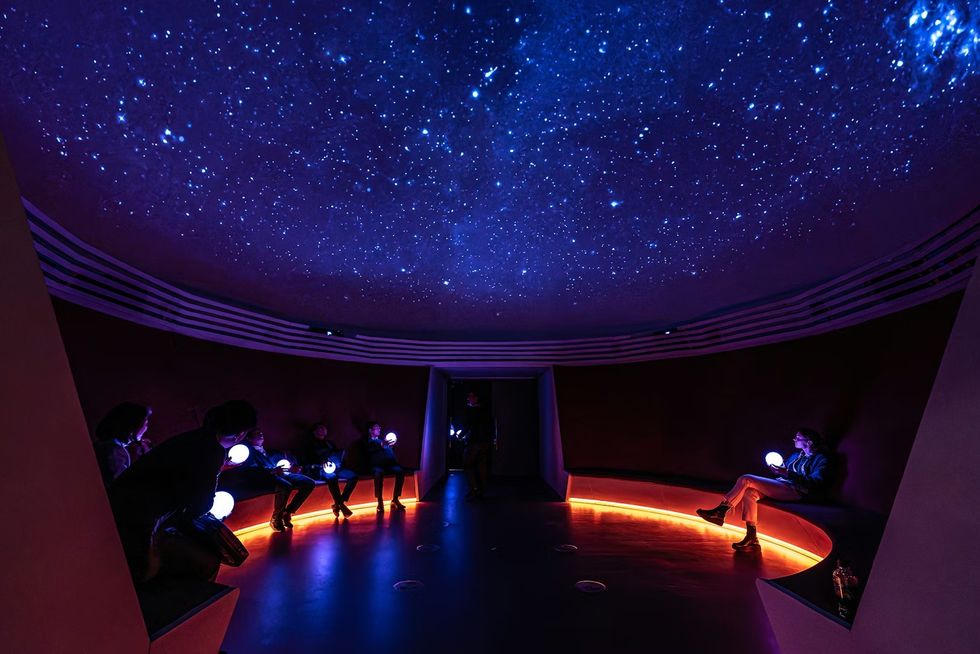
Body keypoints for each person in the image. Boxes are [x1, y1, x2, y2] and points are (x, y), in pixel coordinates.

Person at [109, 400, 257, 583]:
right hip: (137, 522)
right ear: (240, 434)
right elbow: (200, 504)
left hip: (122, 511)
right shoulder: (212, 449)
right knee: (207, 563)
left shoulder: (192, 438)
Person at [696, 428, 833, 551]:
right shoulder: (796, 455)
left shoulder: (821, 459)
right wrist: (778, 470)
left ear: (809, 442)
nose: (794, 439)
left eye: (798, 438)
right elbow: (784, 471)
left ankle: (721, 511)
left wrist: (787, 473)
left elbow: (815, 482)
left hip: (797, 491)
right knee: (750, 493)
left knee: (746, 479)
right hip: (782, 484)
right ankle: (752, 538)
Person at [242, 428, 317, 531]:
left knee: (309, 483)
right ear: (249, 438)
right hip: (264, 477)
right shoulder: (248, 451)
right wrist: (271, 470)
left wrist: (289, 468)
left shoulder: (268, 451)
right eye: (257, 433)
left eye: (261, 432)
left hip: (278, 474)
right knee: (286, 486)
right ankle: (276, 518)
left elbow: (279, 464)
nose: (260, 434)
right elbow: (251, 468)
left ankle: (288, 512)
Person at [303, 423, 358, 518]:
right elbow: (307, 462)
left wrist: (340, 458)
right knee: (332, 477)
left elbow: (337, 453)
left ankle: (339, 503)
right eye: (320, 428)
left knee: (353, 476)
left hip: (335, 467)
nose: (324, 429)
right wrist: (320, 464)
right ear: (314, 432)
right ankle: (341, 505)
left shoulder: (329, 443)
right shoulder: (310, 445)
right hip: (321, 470)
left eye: (324, 427)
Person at [93, 402, 152, 486]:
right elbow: (123, 487)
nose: (146, 428)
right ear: (133, 425)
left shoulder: (102, 446)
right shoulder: (115, 452)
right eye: (145, 424)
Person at [357, 421, 405, 513]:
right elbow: (368, 450)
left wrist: (390, 447)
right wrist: (382, 445)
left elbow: (390, 454)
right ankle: (380, 501)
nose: (379, 429)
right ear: (370, 430)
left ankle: (395, 499)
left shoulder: (382, 441)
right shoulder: (366, 441)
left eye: (379, 427)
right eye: (376, 427)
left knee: (400, 471)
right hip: (375, 466)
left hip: (387, 465)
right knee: (378, 473)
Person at [461, 391, 494, 500]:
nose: (468, 399)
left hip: (474, 442)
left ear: (476, 398)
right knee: (481, 467)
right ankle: (481, 491)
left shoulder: (472, 411)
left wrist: (460, 435)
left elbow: (468, 426)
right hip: (485, 443)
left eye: (470, 397)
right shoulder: (485, 411)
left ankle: (474, 489)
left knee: (467, 465)